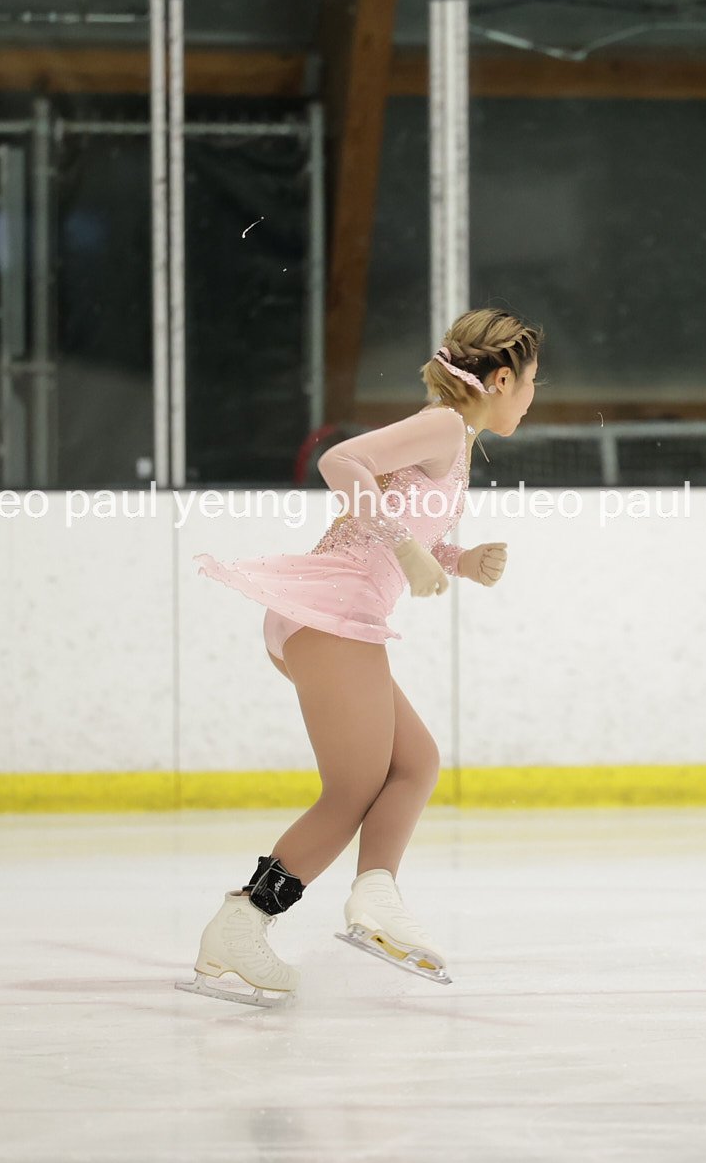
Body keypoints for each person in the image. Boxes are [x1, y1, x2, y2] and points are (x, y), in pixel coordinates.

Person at [180, 309, 542, 1006]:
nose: (531, 397)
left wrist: (458, 559)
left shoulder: (455, 441)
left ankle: (375, 894)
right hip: (333, 613)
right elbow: (340, 462)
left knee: (415, 763)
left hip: (333, 617)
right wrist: (409, 548)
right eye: (530, 383)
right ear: (501, 380)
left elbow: (403, 522)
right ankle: (243, 923)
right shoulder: (444, 425)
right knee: (353, 789)